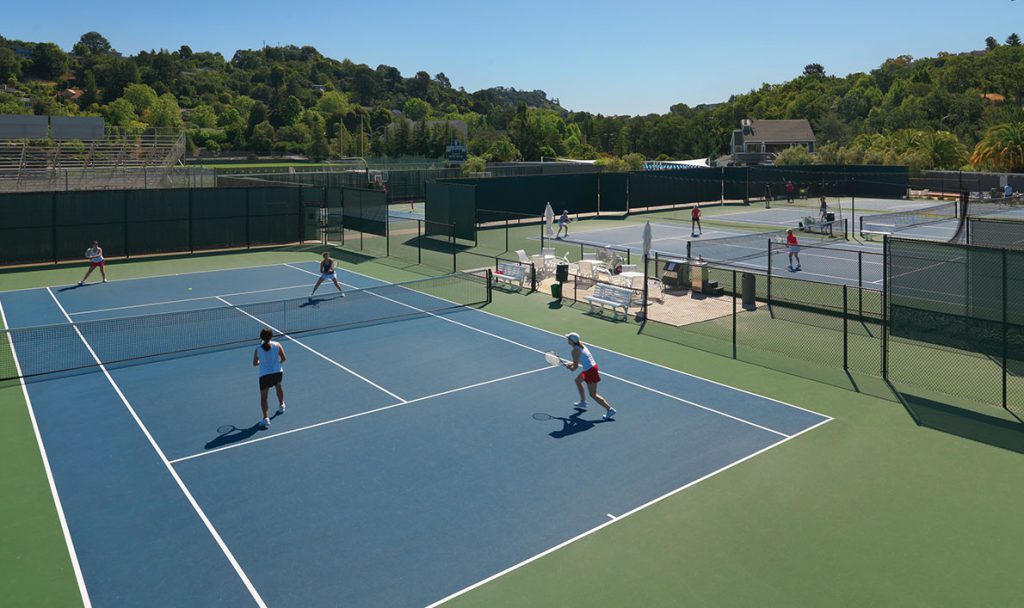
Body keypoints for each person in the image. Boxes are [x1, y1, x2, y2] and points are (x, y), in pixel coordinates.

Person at [564, 332, 616, 420]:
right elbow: (582, 359)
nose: (567, 339)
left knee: (593, 394)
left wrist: (569, 367)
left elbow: (574, 368)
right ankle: (583, 402)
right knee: (578, 381)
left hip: (590, 371)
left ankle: (609, 409)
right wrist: (571, 363)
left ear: (571, 341)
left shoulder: (574, 351)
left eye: (568, 338)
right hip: (591, 368)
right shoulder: (581, 345)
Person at [252, 328, 286, 429]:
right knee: (278, 386)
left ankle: (266, 418)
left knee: (264, 398)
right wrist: (275, 365)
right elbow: (284, 359)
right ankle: (282, 405)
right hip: (277, 372)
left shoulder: (257, 349)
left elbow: (254, 363)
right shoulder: (278, 345)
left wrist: (262, 363)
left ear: (261, 337)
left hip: (265, 375)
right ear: (271, 337)